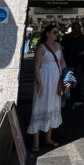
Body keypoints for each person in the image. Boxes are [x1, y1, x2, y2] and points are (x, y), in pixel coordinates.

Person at [28, 24, 65, 152]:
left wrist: (66, 77)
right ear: (48, 33)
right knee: (40, 107)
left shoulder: (59, 46)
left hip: (56, 81)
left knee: (53, 107)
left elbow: (63, 63)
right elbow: (36, 66)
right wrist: (39, 84)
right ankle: (36, 141)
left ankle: (48, 138)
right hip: (45, 80)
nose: (56, 34)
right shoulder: (41, 48)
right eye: (54, 32)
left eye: (57, 32)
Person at [62, 21, 84, 109]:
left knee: (76, 82)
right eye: (75, 28)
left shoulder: (81, 38)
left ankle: (74, 100)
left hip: (78, 63)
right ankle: (66, 99)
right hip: (68, 62)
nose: (76, 30)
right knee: (67, 82)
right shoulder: (68, 37)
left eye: (78, 28)